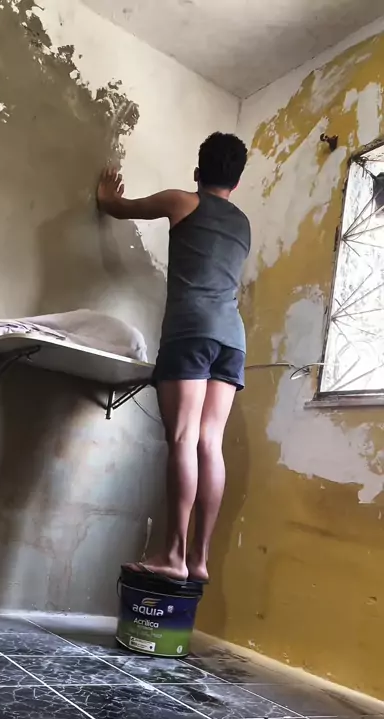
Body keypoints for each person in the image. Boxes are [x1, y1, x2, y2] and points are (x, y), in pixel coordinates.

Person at [97, 132, 250, 584]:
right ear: (237, 182)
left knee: (183, 438)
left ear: (198, 171)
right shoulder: (243, 224)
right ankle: (199, 560)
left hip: (191, 331)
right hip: (232, 339)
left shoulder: (182, 201)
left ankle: (174, 555)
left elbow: (117, 208)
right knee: (210, 443)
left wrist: (107, 196)